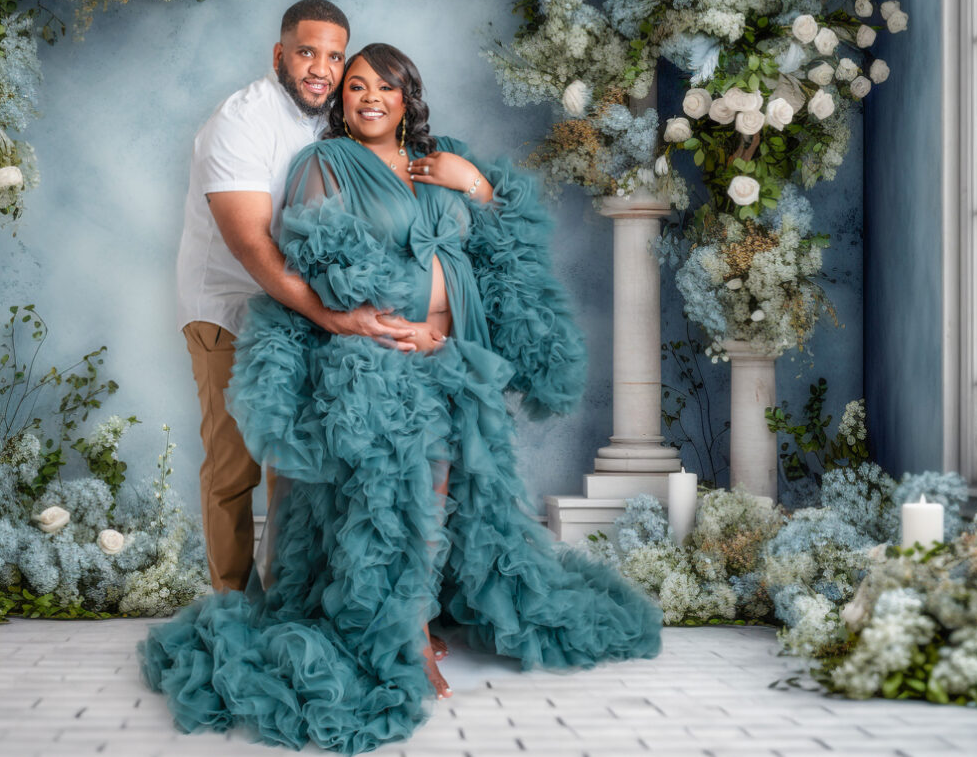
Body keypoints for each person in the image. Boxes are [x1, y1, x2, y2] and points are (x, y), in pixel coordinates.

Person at [142, 43, 662, 755]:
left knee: (458, 495)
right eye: (355, 86)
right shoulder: (322, 166)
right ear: (340, 101)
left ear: (407, 94)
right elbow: (322, 264)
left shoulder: (442, 157)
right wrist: (401, 327)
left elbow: (499, 245)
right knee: (415, 479)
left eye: (385, 85)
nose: (369, 96)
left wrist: (474, 183)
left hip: (455, 348)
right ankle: (404, 629)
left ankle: (426, 609)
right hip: (378, 355)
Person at [175, 0, 421, 594]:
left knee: (301, 461)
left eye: (335, 56)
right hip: (230, 309)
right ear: (280, 54)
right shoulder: (242, 122)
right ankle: (232, 605)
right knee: (236, 466)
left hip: (298, 307)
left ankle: (289, 598)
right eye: (308, 52)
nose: (322, 68)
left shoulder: (328, 114)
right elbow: (252, 247)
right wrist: (336, 318)